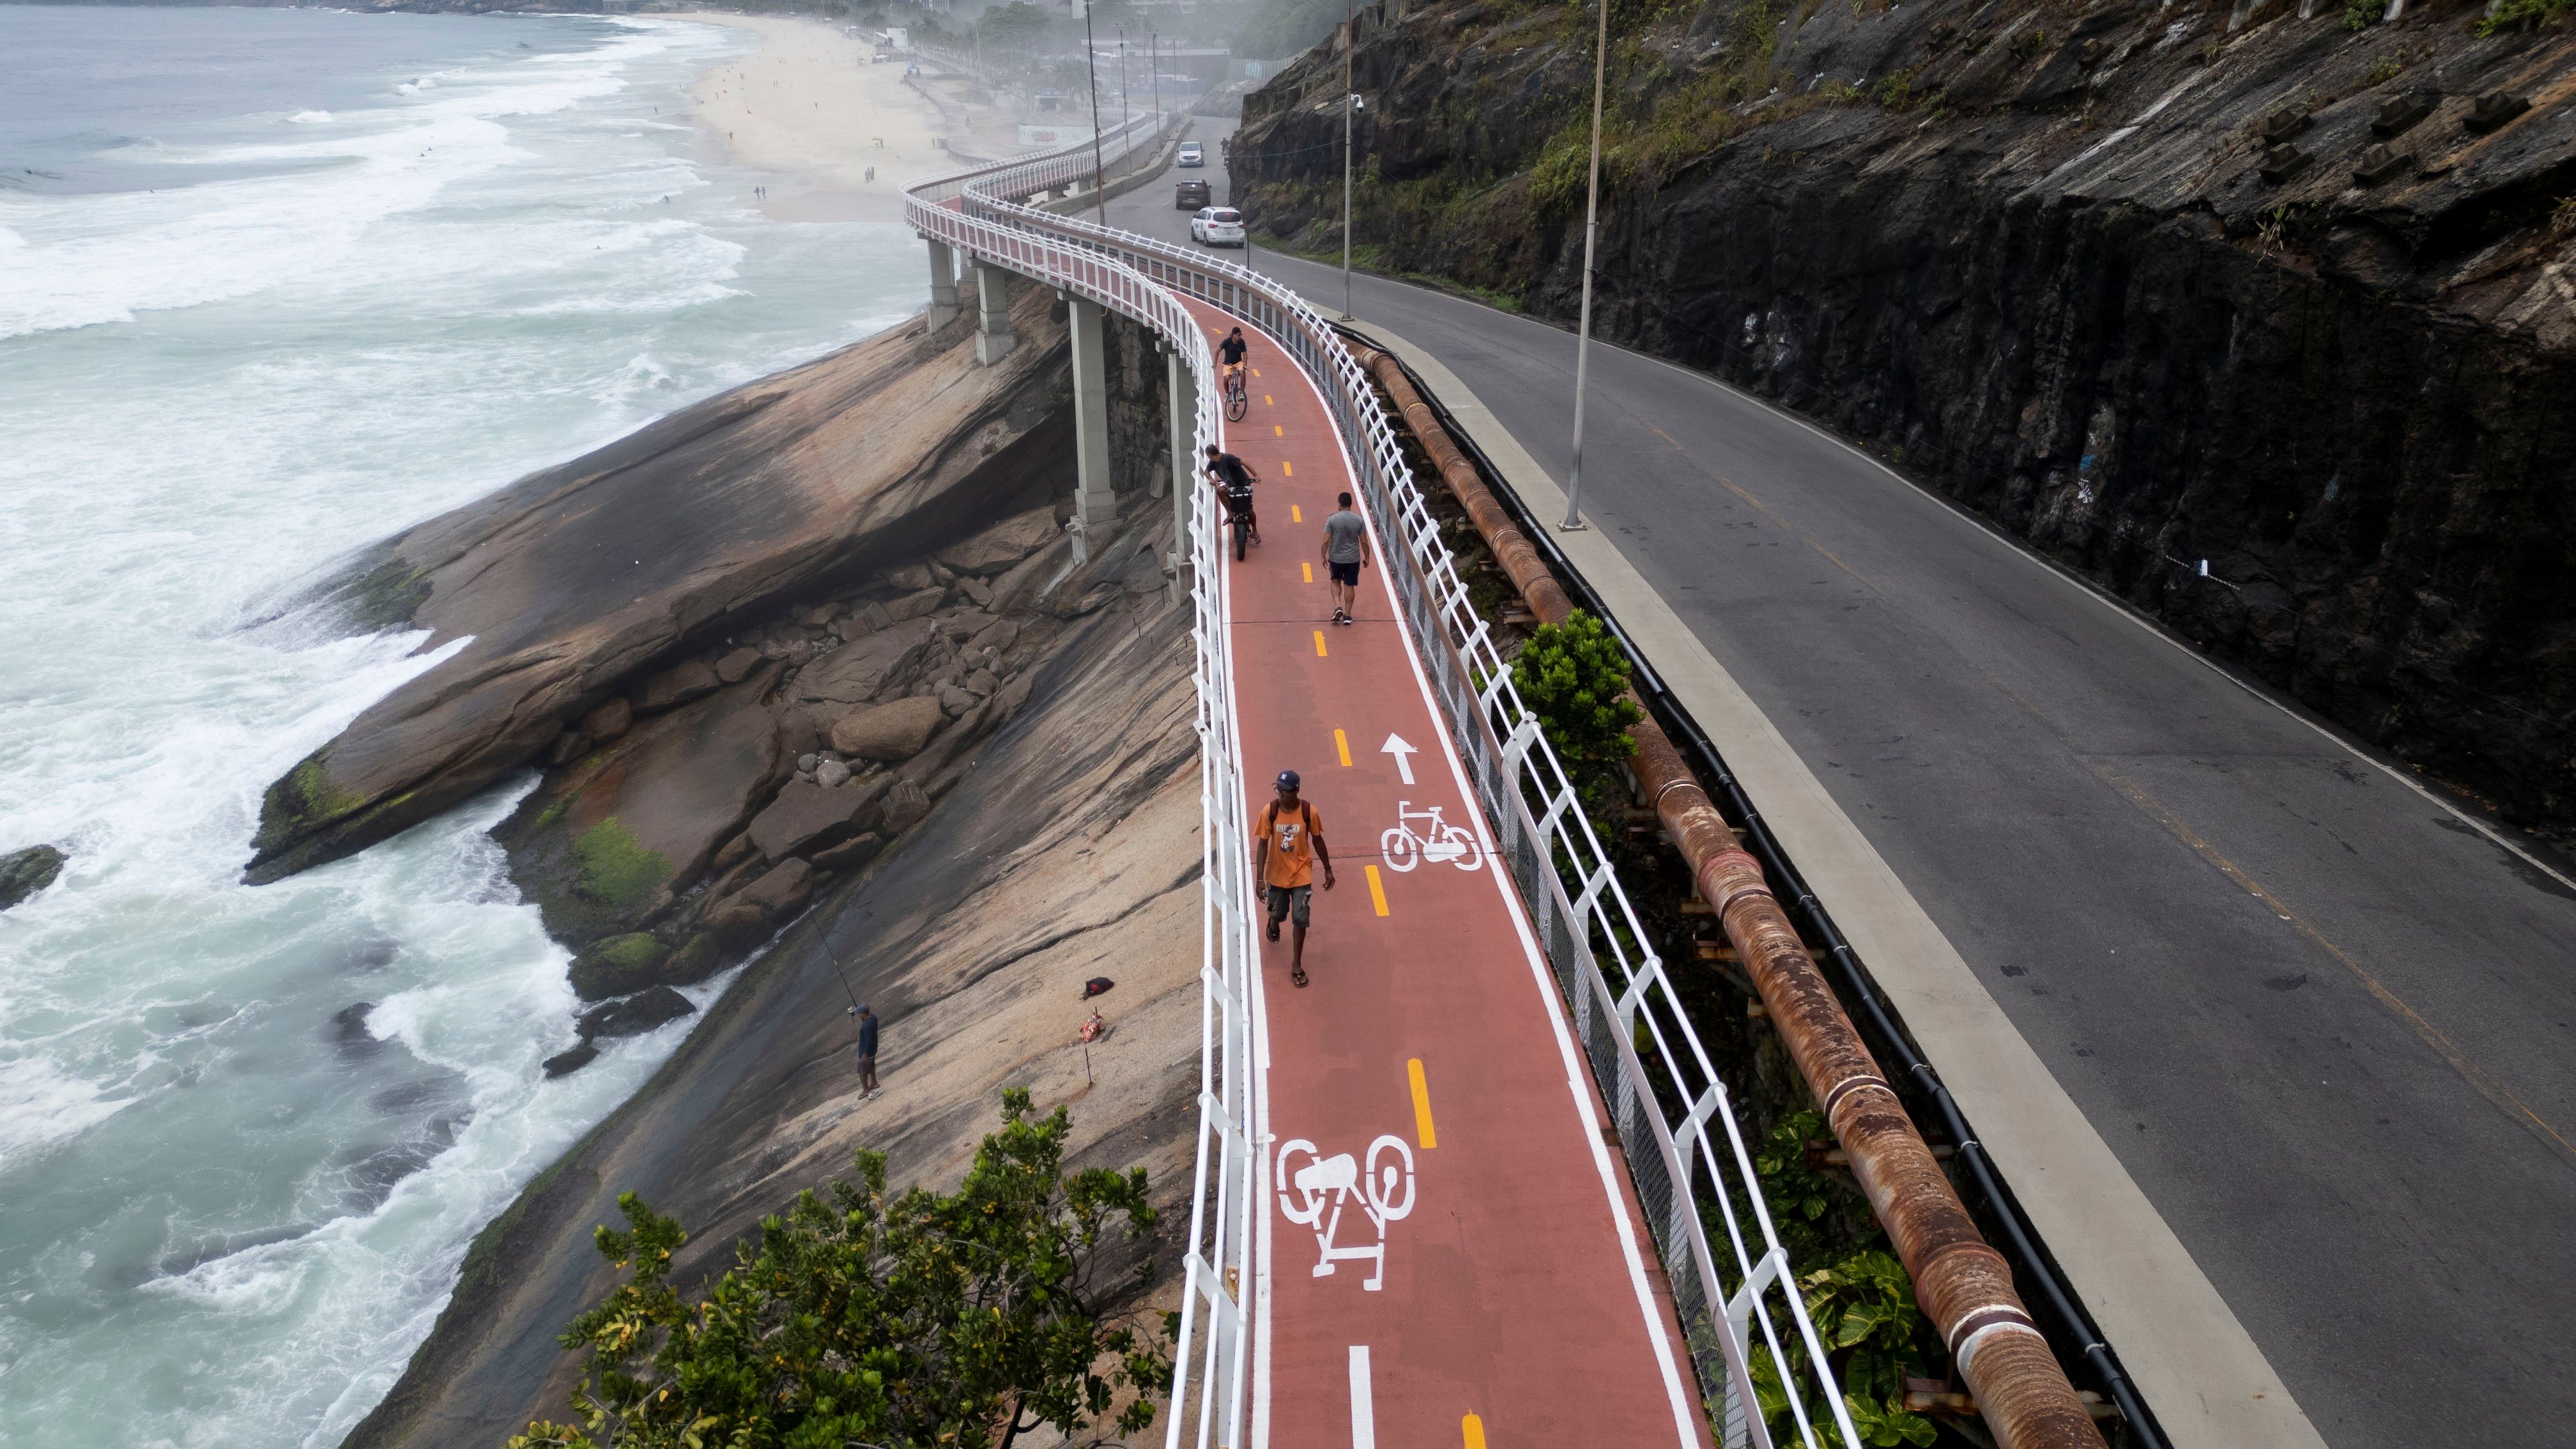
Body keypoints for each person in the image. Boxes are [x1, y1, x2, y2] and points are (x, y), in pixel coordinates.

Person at [1252, 770, 1335, 987]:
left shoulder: (1309, 812)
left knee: (1300, 919)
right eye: (1277, 788)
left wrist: (1328, 868)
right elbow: (1262, 845)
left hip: (1301, 874)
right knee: (1278, 914)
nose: (1280, 794)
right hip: (1276, 875)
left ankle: (1296, 963)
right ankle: (1273, 922)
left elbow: (1317, 840)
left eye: (1285, 791)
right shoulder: (1269, 811)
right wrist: (1259, 879)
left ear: (1296, 791)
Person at [1321, 490, 1370, 625]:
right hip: (1353, 559)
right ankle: (1348, 615)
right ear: (1350, 504)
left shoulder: (1332, 519)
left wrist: (1323, 556)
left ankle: (1338, 606)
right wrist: (1367, 557)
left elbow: (1326, 541)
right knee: (1349, 585)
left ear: (1339, 504)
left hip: (1336, 558)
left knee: (1335, 581)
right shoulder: (1359, 520)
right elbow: (1364, 541)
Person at [1203, 443, 1261, 547]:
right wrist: (1211, 480)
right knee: (1220, 490)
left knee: (1250, 511)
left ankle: (1255, 531)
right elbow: (1206, 472)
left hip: (1243, 485)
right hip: (1230, 486)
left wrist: (1255, 475)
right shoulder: (1213, 463)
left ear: (1210, 456)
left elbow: (1244, 462)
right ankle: (1230, 513)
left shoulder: (1228, 458)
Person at [853, 1003, 880, 1098]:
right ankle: (874, 1083)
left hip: (866, 1051)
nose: (858, 1015)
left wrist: (865, 1053)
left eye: (859, 1013)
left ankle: (866, 1090)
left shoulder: (866, 1025)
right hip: (873, 1049)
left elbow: (868, 1041)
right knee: (872, 1065)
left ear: (863, 1014)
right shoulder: (873, 1018)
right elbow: (866, 1020)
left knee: (862, 1071)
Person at [1218, 325, 1248, 392]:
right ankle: (1227, 394)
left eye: (1241, 335)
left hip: (1238, 363)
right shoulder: (1226, 341)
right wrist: (1215, 363)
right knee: (1226, 378)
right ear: (1233, 335)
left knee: (1243, 373)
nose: (1240, 337)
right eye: (1238, 335)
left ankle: (1242, 393)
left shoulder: (1242, 342)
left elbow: (1245, 354)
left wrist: (1245, 365)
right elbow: (1217, 351)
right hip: (1228, 364)